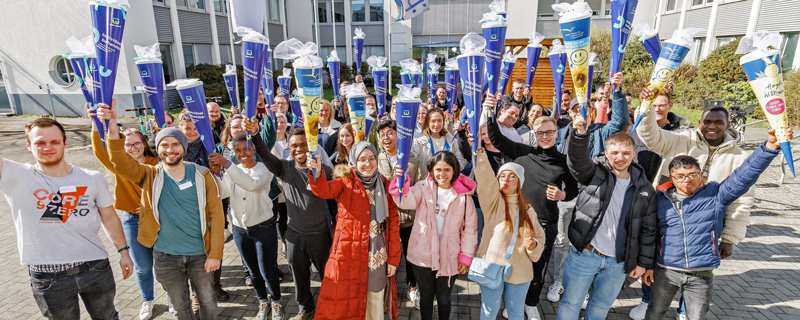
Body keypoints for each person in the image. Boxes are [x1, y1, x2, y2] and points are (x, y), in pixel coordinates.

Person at [644, 128, 792, 320]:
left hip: (701, 274)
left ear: (700, 175)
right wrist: (646, 265)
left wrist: (769, 146)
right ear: (671, 178)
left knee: (697, 317)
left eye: (693, 174)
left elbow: (744, 175)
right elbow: (648, 235)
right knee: (655, 313)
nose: (687, 180)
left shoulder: (716, 195)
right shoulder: (659, 199)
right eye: (680, 176)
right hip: (666, 270)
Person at [99, 103, 225, 320]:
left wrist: (216, 254)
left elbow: (217, 216)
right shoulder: (149, 175)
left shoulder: (203, 176)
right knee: (179, 305)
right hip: (165, 256)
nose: (170, 149)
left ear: (184, 148)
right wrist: (111, 128)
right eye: (164, 145)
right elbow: (119, 160)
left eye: (176, 144)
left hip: (199, 254)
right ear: (157, 149)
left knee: (207, 301)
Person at [0, 117, 133, 319]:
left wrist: (123, 252)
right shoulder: (15, 175)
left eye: (54, 141)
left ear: (65, 143)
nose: (48, 147)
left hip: (95, 267)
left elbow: (109, 216)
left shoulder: (91, 178)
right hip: (48, 277)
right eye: (40, 143)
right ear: (28, 146)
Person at [557, 117, 657, 320]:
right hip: (585, 255)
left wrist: (642, 263)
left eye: (626, 153)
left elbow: (648, 229)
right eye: (615, 153)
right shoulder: (594, 172)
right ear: (606, 152)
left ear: (633, 154)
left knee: (601, 307)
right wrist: (579, 134)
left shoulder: (644, 187)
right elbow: (577, 162)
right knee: (571, 303)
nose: (620, 157)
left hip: (617, 262)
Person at [485, 107, 578, 319]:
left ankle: (531, 303)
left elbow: (573, 189)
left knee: (539, 267)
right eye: (540, 133)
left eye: (549, 132)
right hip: (519, 220)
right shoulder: (524, 153)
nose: (544, 137)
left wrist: (563, 196)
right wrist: (489, 110)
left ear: (557, 133)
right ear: (534, 134)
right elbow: (496, 139)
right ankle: (514, 303)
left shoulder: (564, 161)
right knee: (516, 264)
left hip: (546, 223)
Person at [636, 88, 752, 257]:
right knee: (655, 266)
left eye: (718, 122)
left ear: (727, 125)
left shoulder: (739, 157)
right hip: (665, 217)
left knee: (696, 271)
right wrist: (645, 108)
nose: (712, 126)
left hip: (705, 227)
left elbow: (742, 200)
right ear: (700, 123)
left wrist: (730, 238)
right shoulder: (681, 139)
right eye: (707, 121)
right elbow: (650, 135)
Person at [245, 118, 333, 320]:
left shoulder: (325, 171)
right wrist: (255, 133)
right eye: (294, 146)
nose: (299, 149)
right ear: (289, 148)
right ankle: (305, 308)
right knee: (299, 277)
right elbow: (264, 155)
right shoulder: (284, 168)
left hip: (320, 235)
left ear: (311, 145)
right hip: (294, 235)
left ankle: (330, 307)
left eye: (303, 144)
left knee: (328, 276)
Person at [307, 142, 402, 320]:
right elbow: (323, 189)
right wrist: (317, 172)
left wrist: (394, 259)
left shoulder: (383, 183)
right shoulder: (345, 182)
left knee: (374, 298)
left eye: (372, 158)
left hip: (377, 254)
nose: (368, 164)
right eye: (362, 160)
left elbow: (393, 222)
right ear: (354, 162)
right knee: (349, 301)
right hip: (350, 255)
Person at [88, 105, 160, 320]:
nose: (133, 148)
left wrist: (150, 207)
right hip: (132, 220)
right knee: (143, 267)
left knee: (166, 265)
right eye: (127, 145)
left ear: (144, 144)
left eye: (137, 143)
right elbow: (101, 151)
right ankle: (148, 300)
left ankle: (173, 297)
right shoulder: (119, 166)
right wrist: (94, 123)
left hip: (159, 219)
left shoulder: (157, 163)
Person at [389, 151, 478, 320]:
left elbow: (470, 229)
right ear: (431, 170)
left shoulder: (464, 198)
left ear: (454, 171)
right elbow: (404, 201)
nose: (442, 174)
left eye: (447, 170)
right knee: (426, 297)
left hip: (450, 256)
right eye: (438, 169)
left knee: (444, 298)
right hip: (422, 255)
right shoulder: (423, 188)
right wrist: (402, 179)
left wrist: (466, 257)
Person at [213, 134, 284, 320]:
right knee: (253, 271)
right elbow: (223, 192)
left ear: (254, 149)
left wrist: (227, 166)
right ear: (233, 152)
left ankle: (276, 302)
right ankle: (262, 301)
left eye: (247, 149)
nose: (243, 153)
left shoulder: (264, 169)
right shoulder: (232, 169)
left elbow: (252, 185)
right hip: (240, 229)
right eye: (238, 150)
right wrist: (216, 174)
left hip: (263, 227)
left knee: (267, 270)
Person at [472, 145, 546, 320]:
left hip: (520, 271)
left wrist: (534, 245)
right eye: (502, 176)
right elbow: (485, 179)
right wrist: (479, 152)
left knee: (515, 313)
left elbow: (540, 238)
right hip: (491, 267)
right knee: (489, 311)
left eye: (512, 176)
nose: (506, 179)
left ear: (520, 182)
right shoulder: (493, 203)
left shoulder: (528, 210)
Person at [376, 120, 426, 308]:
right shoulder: (376, 160)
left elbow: (422, 188)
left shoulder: (412, 161)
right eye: (382, 135)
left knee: (411, 256)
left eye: (390, 133)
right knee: (385, 257)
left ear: (399, 136)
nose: (386, 138)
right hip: (385, 220)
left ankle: (413, 287)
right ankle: (385, 289)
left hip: (408, 219)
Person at [556, 73, 628, 158]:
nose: (579, 113)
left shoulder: (601, 131)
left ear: (591, 110)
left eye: (583, 109)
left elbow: (620, 121)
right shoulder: (559, 134)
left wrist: (617, 90)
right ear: (569, 112)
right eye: (575, 110)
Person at [412, 107, 467, 175]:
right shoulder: (418, 141)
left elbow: (461, 161)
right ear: (427, 122)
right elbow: (412, 158)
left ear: (443, 122)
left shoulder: (451, 141)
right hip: (426, 183)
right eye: (433, 121)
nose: (436, 124)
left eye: (440, 121)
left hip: (446, 181)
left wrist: (449, 168)